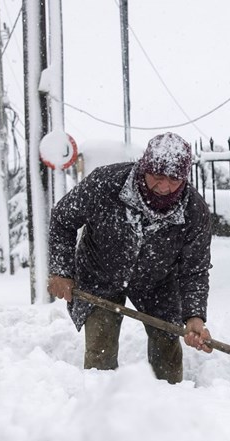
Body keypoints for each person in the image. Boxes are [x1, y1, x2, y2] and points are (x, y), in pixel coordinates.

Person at [47, 132, 213, 384]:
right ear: (143, 167)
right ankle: (101, 404)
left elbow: (195, 270)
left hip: (158, 281)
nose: (164, 187)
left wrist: (194, 317)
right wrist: (61, 271)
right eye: (157, 176)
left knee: (166, 349)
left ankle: (169, 406)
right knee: (100, 351)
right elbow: (62, 218)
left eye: (174, 180)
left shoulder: (194, 211)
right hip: (99, 273)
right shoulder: (106, 184)